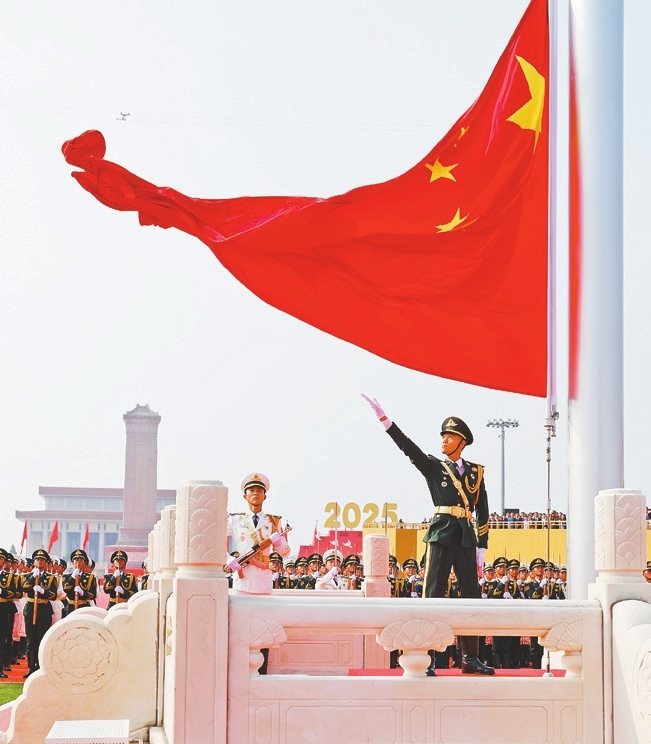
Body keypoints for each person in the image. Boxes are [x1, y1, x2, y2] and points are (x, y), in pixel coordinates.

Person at [363, 395, 494, 676]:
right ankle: (428, 656)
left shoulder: (476, 472)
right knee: (433, 594)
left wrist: (481, 547)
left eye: (450, 436)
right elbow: (409, 449)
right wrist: (386, 421)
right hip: (441, 534)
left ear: (462, 442)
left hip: (465, 537)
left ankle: (470, 657)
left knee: (471, 596)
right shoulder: (434, 466)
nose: (444, 440)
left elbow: (483, 509)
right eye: (443, 436)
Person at [225, 473, 291, 674]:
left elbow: (285, 552)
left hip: (262, 581)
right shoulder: (235, 520)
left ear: (265, 496)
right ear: (245, 496)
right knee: (240, 626)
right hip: (242, 579)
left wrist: (279, 541)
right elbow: (216, 539)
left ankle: (261, 671)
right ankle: (238, 670)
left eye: (259, 491)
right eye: (251, 490)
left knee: (264, 627)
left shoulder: (274, 521)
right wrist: (228, 559)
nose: (255, 493)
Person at [21, 548, 58, 677]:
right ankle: (31, 667)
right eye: (37, 559)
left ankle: (40, 667)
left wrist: (43, 591)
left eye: (42, 560)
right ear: (34, 562)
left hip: (43, 610)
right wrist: (33, 577)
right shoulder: (28, 576)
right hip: (31, 609)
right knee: (31, 640)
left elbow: (53, 595)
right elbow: (25, 587)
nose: (39, 561)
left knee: (42, 640)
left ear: (46, 563)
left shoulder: (51, 578)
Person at [62, 549, 97, 616]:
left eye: (81, 560)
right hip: (71, 607)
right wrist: (73, 577)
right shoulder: (67, 577)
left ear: (84, 563)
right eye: (76, 560)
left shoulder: (90, 577)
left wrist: (82, 593)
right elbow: (66, 589)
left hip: (84, 607)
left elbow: (93, 595)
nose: (78, 562)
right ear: (72, 563)